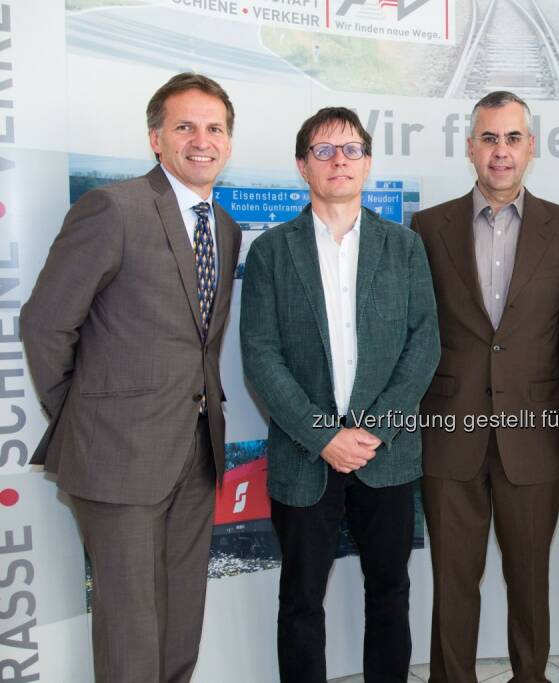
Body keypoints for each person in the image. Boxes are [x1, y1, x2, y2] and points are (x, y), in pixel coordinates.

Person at [21, 72, 241, 682]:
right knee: (129, 627)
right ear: (155, 138)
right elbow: (44, 325)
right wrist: (86, 417)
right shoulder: (113, 209)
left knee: (179, 620)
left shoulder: (224, 228)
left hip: (196, 455)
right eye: (185, 126)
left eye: (215, 128)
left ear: (228, 142)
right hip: (117, 459)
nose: (202, 140)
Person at [239, 106, 440, 683]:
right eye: (324, 151)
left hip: (388, 454)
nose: (339, 161)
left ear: (368, 163)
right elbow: (261, 354)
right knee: (301, 600)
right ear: (303, 166)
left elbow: (423, 344)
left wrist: (372, 431)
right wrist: (324, 435)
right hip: (306, 455)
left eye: (351, 149)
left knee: (390, 591)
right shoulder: (273, 252)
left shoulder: (403, 247)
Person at [410, 90, 559, 683]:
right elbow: (420, 328)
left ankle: (529, 676)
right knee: (453, 579)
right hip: (449, 433)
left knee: (529, 578)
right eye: (489, 138)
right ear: (470, 148)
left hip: (532, 435)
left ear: (531, 147)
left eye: (513, 138)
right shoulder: (428, 227)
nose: (501, 151)